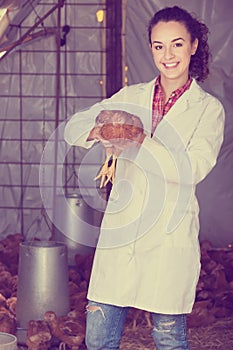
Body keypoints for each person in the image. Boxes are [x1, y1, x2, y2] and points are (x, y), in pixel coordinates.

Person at [64, 5, 225, 350]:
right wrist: (103, 129)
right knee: (98, 339)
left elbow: (192, 168)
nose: (167, 55)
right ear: (150, 47)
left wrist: (139, 140)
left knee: (167, 337)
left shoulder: (208, 108)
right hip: (121, 233)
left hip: (168, 235)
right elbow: (73, 128)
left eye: (177, 44)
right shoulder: (130, 97)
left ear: (194, 46)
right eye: (158, 46)